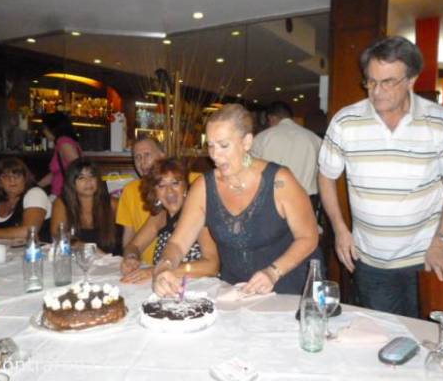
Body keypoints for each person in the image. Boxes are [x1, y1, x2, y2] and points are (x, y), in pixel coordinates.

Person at [318, 36, 443, 317]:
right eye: (371, 81)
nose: (376, 91)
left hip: (427, 256)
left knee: (428, 339)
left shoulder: (440, 121)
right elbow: (326, 176)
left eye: (387, 82)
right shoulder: (345, 121)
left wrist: (441, 242)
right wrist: (340, 229)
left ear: (411, 80)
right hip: (371, 259)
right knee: (385, 339)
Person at [152, 103, 321, 297]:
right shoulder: (203, 188)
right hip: (236, 291)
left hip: (290, 287)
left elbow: (309, 238)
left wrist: (273, 272)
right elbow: (178, 244)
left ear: (247, 142)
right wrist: (164, 267)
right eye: (211, 146)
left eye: (224, 145)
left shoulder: (280, 181)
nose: (215, 155)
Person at [120, 158, 219, 283]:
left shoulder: (197, 214)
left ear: (186, 187)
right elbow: (134, 245)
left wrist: (157, 271)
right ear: (155, 192)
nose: (169, 191)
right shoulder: (160, 216)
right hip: (166, 285)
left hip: (199, 288)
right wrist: (131, 258)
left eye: (175, 183)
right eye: (161, 185)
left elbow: (212, 266)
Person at [251, 101, 322, 204]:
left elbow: (250, 168)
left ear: (271, 118)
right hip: (306, 200)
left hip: (271, 200)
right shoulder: (315, 139)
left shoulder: (262, 138)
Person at [51, 158, 121, 255]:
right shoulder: (62, 203)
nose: (88, 181)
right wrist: (87, 248)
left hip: (111, 262)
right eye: (81, 177)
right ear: (71, 182)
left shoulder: (112, 204)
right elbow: (57, 235)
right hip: (77, 262)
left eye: (92, 176)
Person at [0, 157, 51, 241]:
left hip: (36, 252)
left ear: (25, 179)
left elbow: (28, 232)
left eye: (17, 175)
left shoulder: (35, 193)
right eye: (5, 176)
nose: (12, 180)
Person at [116, 136, 165, 264]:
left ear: (162, 156)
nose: (142, 162)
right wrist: (130, 259)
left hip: (179, 270)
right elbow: (128, 241)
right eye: (137, 157)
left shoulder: (185, 184)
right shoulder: (130, 190)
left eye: (147, 155)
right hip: (143, 268)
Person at [38, 112, 82, 198]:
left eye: (44, 128)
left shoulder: (63, 143)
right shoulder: (64, 142)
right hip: (62, 194)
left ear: (52, 128)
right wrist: (36, 185)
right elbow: (56, 174)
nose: (44, 132)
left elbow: (78, 168)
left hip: (64, 195)